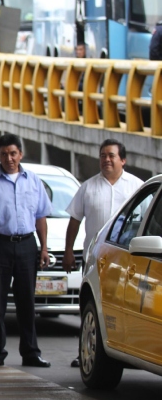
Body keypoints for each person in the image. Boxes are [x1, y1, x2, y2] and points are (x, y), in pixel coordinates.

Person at [63, 139, 143, 367]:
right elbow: (75, 221)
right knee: (91, 306)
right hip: (95, 259)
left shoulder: (136, 187)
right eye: (103, 156)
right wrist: (69, 251)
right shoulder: (88, 187)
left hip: (126, 261)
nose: (106, 160)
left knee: (122, 307)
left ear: (123, 160)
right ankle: (87, 351)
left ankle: (124, 351)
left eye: (111, 156)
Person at [0, 133, 52, 369]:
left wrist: (43, 248)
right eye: (4, 154)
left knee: (27, 302)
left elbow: (40, 216)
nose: (9, 158)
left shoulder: (33, 181)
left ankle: (31, 352)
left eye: (13, 153)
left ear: (20, 154)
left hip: (27, 245)